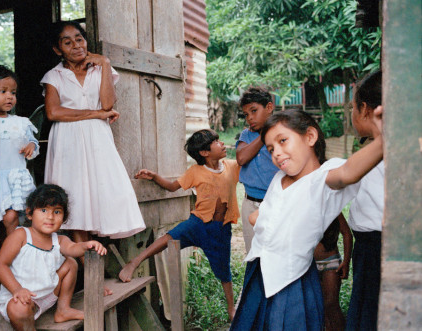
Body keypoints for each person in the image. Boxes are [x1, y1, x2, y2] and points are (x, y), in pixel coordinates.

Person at [230, 109, 383, 330]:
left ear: (310, 137)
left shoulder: (323, 178)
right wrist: (264, 220)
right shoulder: (279, 179)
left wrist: (383, 139)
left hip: (291, 280)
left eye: (283, 141)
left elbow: (348, 172)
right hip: (259, 273)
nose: (277, 153)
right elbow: (262, 215)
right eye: (271, 149)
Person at [119, 129, 240, 320]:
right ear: (204, 153)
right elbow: (171, 187)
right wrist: (154, 176)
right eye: (216, 141)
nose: (222, 143)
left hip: (221, 230)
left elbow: (248, 161)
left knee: (224, 271)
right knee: (168, 238)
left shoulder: (232, 166)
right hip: (198, 223)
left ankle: (231, 308)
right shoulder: (195, 171)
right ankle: (134, 262)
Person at [41, 21, 145, 245]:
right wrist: (96, 113)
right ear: (57, 50)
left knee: (105, 191)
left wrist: (105, 63)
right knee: (74, 196)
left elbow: (107, 104)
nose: (76, 45)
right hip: (67, 141)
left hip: (98, 139)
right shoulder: (54, 76)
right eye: (67, 42)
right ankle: (88, 267)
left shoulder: (101, 69)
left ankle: (94, 261)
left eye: (79, 39)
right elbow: (53, 112)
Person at [0, 184, 107, 330]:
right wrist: (17, 289)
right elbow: (0, 265)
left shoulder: (58, 240)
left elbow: (73, 248)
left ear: (64, 217)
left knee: (71, 264)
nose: (50, 217)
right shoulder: (21, 235)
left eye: (57, 212)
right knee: (18, 310)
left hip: (48, 294)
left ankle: (63, 309)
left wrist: (87, 245)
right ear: (29, 213)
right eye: (43, 210)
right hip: (22, 297)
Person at [346, 70, 384, 331]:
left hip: (377, 248)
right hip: (368, 247)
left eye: (352, 107)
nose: (351, 114)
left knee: (371, 314)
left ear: (365, 109)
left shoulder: (377, 154)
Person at [0, 65, 39, 244]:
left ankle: (17, 253)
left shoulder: (20, 122)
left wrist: (31, 146)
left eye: (13, 92)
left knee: (13, 218)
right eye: (2, 91)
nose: (9, 96)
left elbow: (32, 141)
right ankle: (7, 254)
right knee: (1, 221)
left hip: (16, 178)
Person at [236, 87, 279, 253]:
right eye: (246, 114)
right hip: (250, 203)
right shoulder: (246, 135)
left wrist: (270, 131)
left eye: (254, 111)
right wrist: (264, 135)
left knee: (275, 251)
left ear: (269, 107)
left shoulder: (282, 133)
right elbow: (241, 158)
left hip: (275, 202)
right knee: (253, 253)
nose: (250, 118)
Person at [314, 213, 353, 331]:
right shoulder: (303, 205)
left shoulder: (332, 205)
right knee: (319, 306)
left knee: (331, 303)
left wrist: (346, 262)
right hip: (309, 265)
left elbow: (347, 234)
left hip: (330, 262)